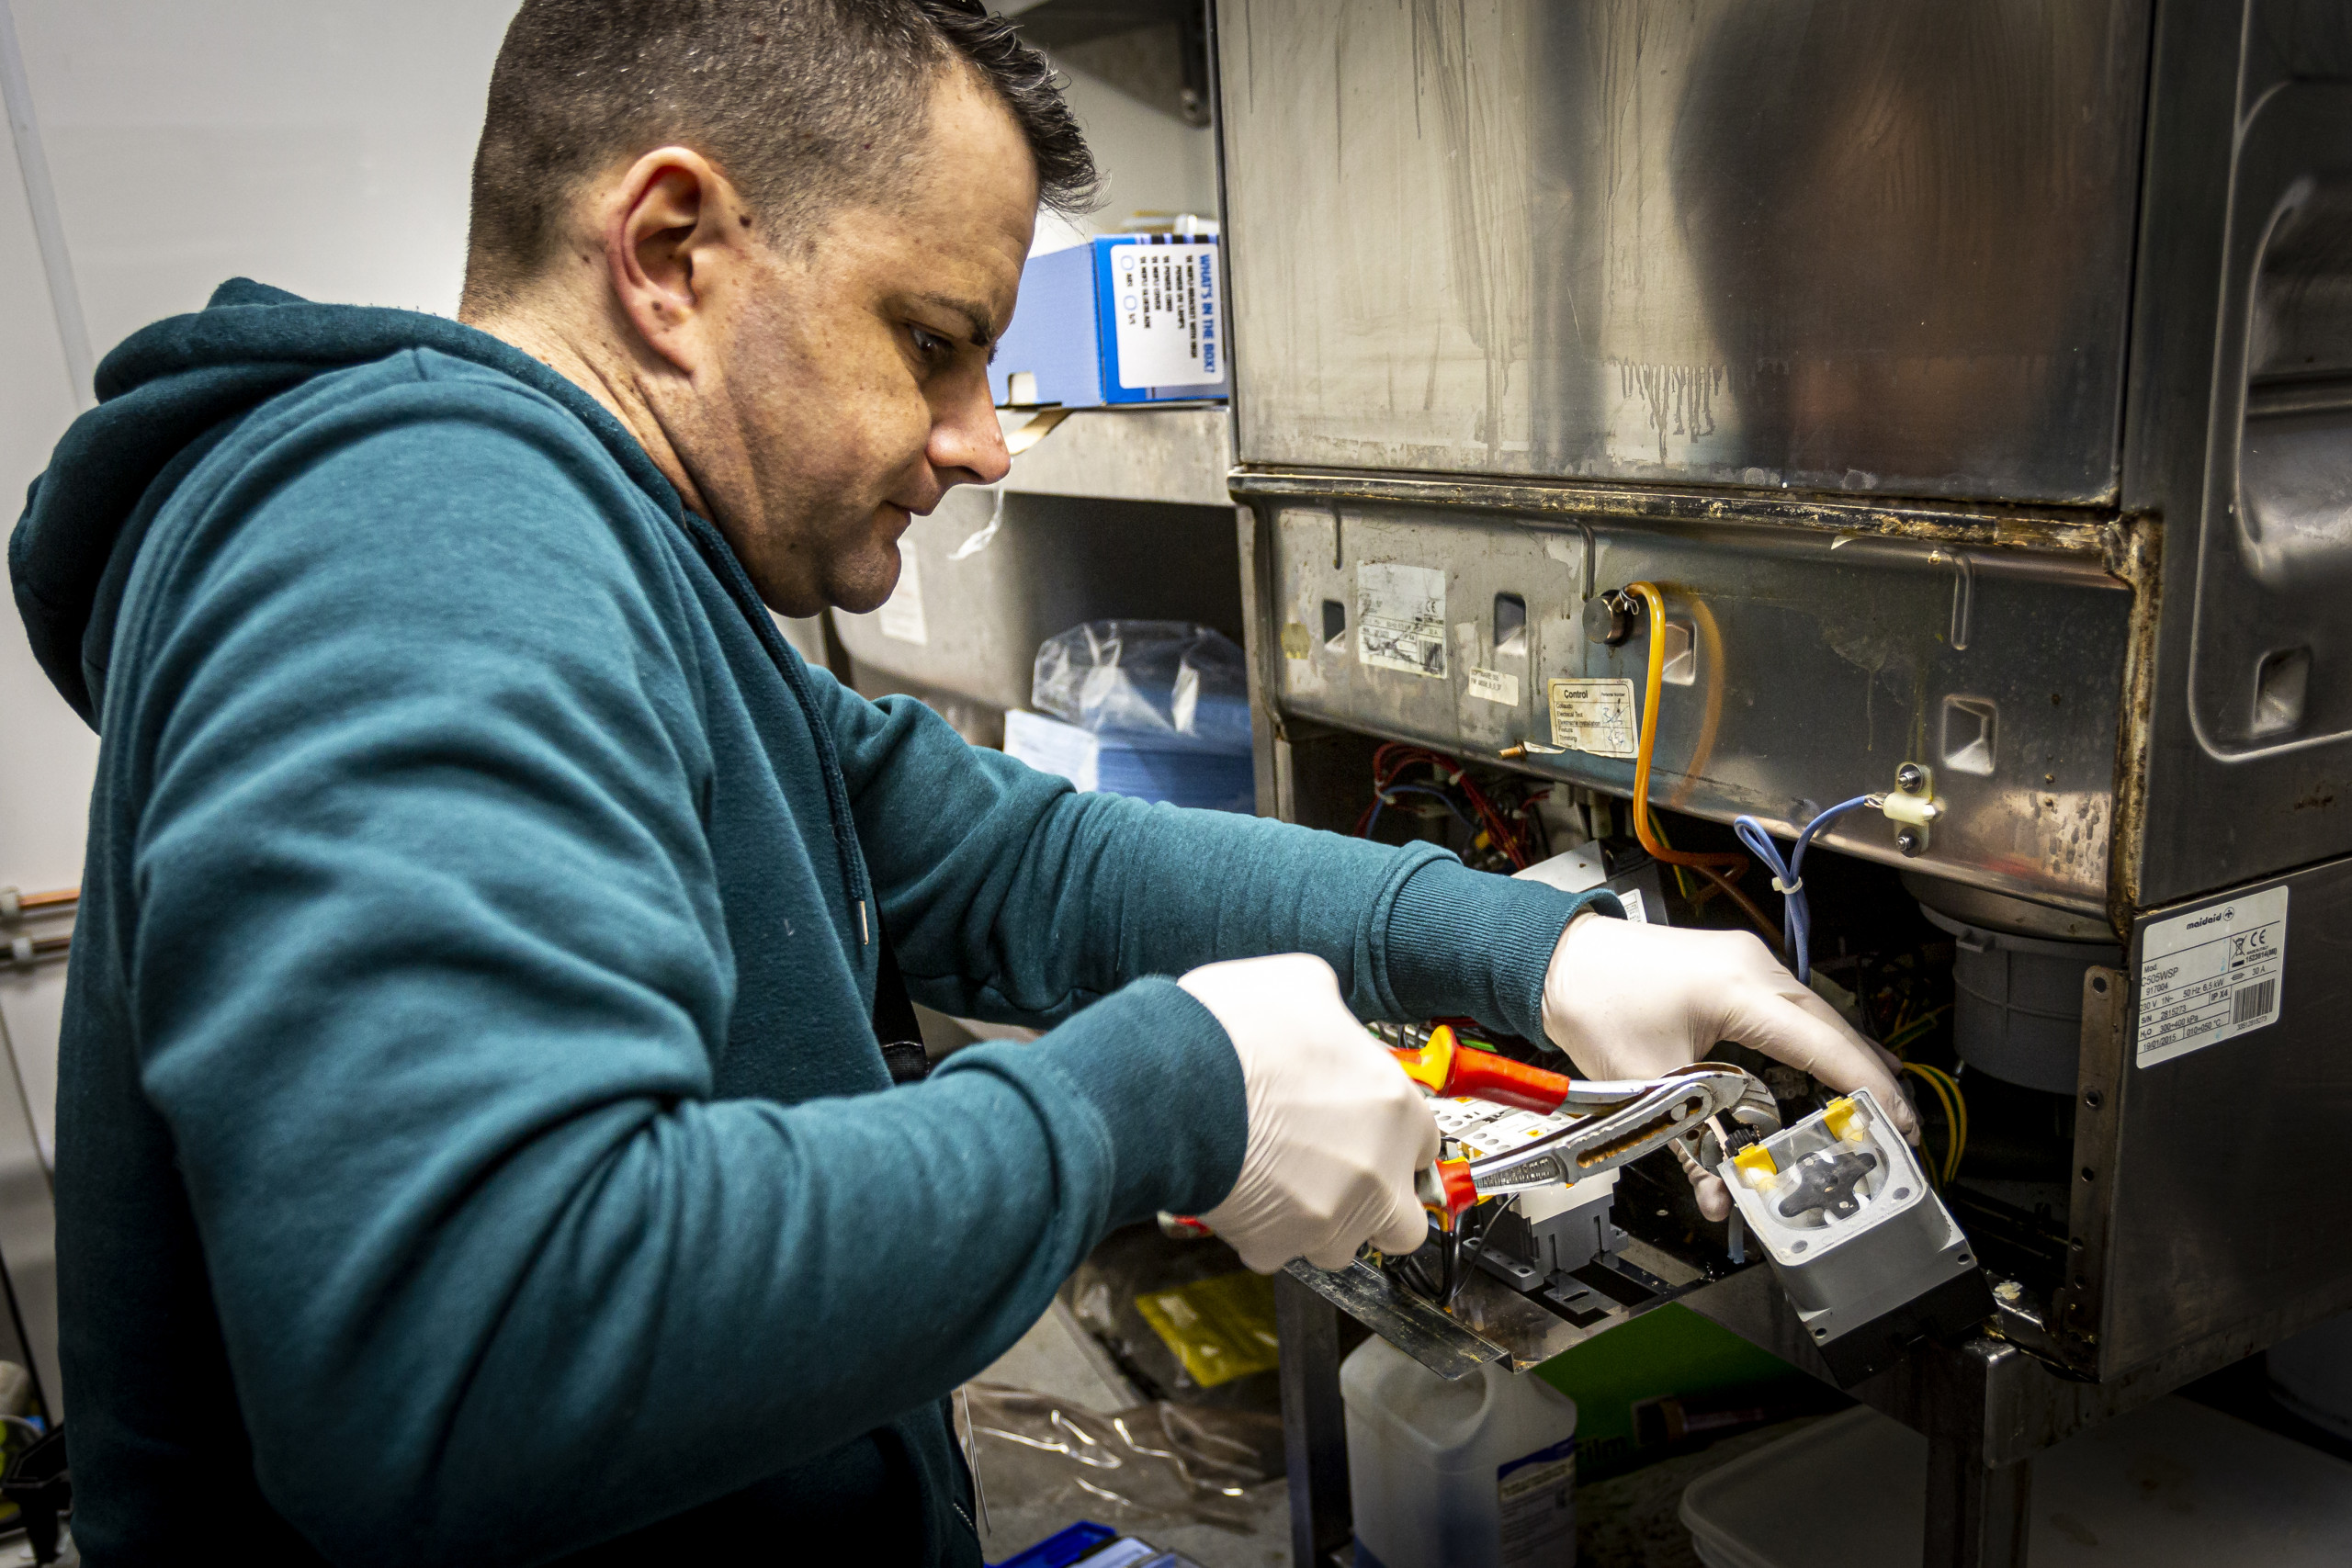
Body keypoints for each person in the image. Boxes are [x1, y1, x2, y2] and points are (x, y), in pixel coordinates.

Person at [6, 3, 1912, 1563]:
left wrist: (1537, 955)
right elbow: (469, 1356)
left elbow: (1025, 863)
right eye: (933, 343)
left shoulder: (630, 572)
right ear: (669, 254)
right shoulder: (425, 539)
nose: (982, 440)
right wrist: (1171, 1093)